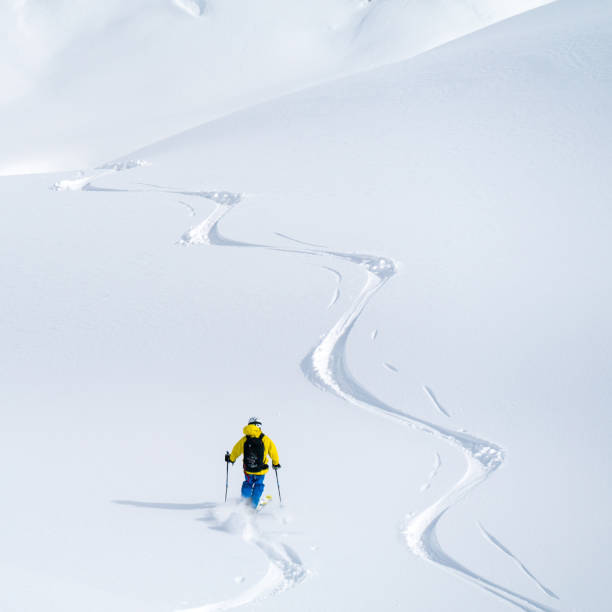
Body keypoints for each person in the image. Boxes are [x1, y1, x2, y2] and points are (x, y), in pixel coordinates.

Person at [225, 417, 281, 508]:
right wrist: (276, 463)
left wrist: (231, 458)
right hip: (261, 470)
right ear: (259, 426)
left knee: (247, 484)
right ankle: (253, 505)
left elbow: (236, 450)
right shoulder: (265, 439)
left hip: (248, 470)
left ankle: (245, 503)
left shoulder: (244, 439)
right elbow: (273, 452)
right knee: (258, 485)